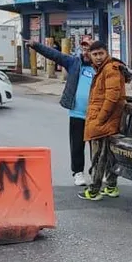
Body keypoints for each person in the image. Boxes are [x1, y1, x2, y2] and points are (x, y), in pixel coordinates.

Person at [28, 38, 98, 186]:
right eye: (84, 49)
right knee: (77, 145)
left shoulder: (100, 67)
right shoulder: (74, 63)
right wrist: (36, 46)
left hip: (96, 115)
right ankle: (78, 173)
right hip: (77, 113)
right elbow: (54, 55)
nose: (86, 53)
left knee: (96, 147)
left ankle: (96, 172)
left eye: (89, 50)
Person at [79, 41, 128, 201]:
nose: (98, 57)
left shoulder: (110, 69)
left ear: (106, 53)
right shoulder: (104, 69)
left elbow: (112, 97)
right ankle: (111, 186)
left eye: (101, 53)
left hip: (104, 121)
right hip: (109, 121)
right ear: (90, 56)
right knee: (108, 155)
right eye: (95, 54)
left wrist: (100, 120)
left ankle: (94, 190)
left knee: (99, 156)